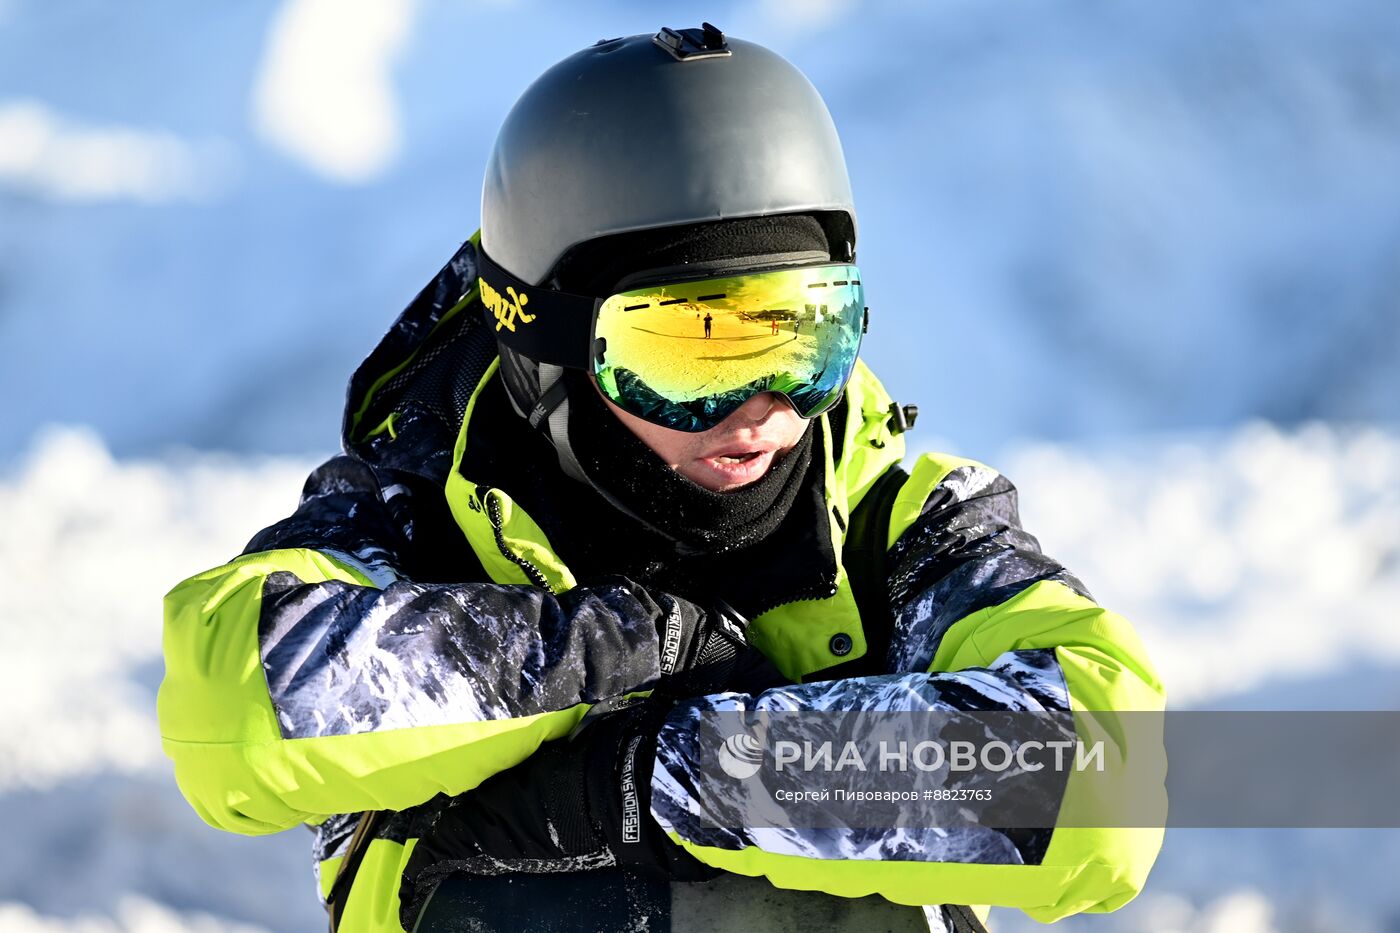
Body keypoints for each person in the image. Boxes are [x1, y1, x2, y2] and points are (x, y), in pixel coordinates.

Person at [158, 24, 1165, 933]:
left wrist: (670, 774)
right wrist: (621, 648)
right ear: (543, 345)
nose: (766, 407)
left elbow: (1098, 786)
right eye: (693, 350)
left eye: (803, 335)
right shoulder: (420, 517)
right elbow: (232, 716)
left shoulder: (895, 526)